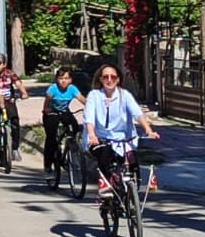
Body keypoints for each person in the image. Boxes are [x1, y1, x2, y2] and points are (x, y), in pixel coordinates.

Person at [84, 65, 159, 196]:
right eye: (105, 77)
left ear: (118, 79)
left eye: (113, 77)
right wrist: (92, 135)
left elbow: (137, 113)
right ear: (100, 80)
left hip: (125, 139)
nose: (109, 80)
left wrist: (148, 130)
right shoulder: (94, 96)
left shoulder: (125, 95)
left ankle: (132, 193)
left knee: (133, 162)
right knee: (104, 157)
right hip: (101, 139)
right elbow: (89, 118)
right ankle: (106, 190)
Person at [42, 68, 85, 180]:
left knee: (75, 126)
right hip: (51, 112)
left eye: (66, 78)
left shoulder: (72, 89)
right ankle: (48, 167)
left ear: (70, 80)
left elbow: (82, 99)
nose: (63, 81)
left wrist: (91, 108)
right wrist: (46, 109)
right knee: (51, 138)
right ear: (57, 79)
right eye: (61, 78)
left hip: (64, 112)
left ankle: (71, 146)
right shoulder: (53, 89)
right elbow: (47, 101)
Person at [0, 55, 30, 161]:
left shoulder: (9, 74)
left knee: (15, 121)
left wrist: (24, 93)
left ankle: (15, 149)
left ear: (5, 64)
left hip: (8, 102)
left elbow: (18, 83)